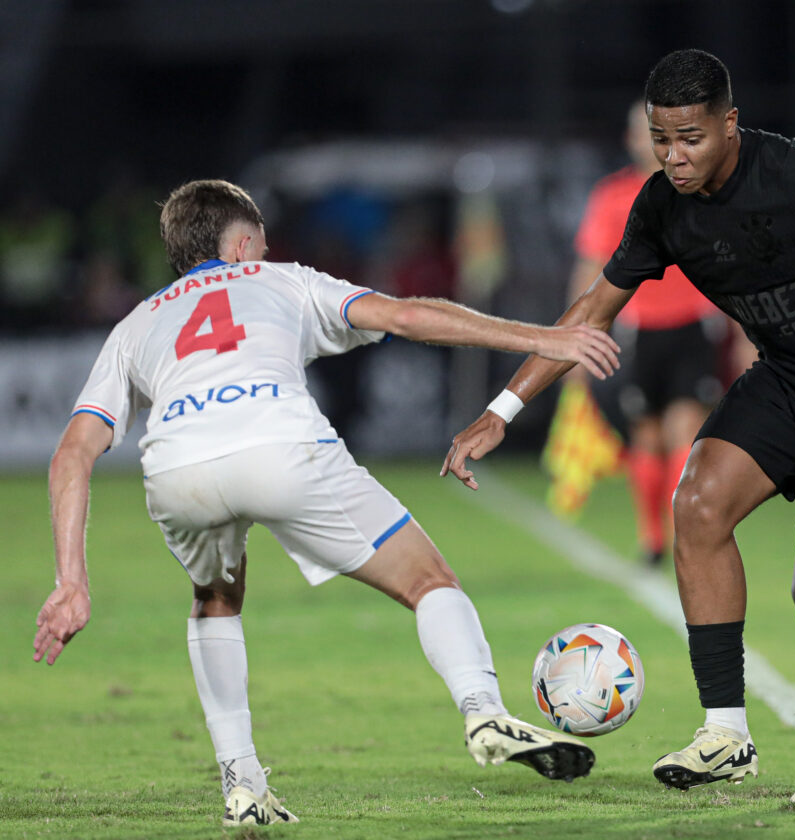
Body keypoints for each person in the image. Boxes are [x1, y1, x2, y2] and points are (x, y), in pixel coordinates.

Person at [443, 49, 795, 805]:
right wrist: (501, 410)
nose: (675, 157)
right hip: (787, 377)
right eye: (661, 138)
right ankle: (725, 732)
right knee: (697, 503)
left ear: (730, 124)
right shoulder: (660, 207)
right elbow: (588, 313)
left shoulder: (794, 172)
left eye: (691, 138)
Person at [33, 179, 620, 826]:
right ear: (243, 242)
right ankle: (483, 710)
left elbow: (72, 454)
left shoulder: (136, 324)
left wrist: (71, 581)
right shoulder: (283, 279)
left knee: (216, 598)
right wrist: (545, 338)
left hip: (176, 469)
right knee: (429, 581)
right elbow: (407, 316)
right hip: (281, 446)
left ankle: (242, 783)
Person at [566, 99, 749, 565]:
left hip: (693, 325)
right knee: (644, 435)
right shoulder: (611, 197)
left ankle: (679, 530)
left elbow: (731, 269)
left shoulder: (703, 193)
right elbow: (590, 272)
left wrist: (747, 335)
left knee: (686, 430)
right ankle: (651, 537)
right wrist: (572, 337)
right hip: (636, 330)